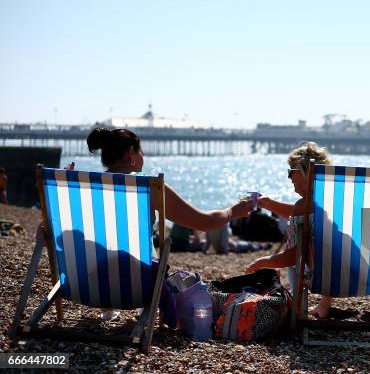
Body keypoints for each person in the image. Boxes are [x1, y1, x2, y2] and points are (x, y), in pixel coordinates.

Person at [72, 127, 253, 319]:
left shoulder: (81, 188)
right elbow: (203, 222)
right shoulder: (148, 187)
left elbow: (56, 230)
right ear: (130, 153)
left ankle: (109, 308)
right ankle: (143, 307)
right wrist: (232, 212)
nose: (143, 155)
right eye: (140, 150)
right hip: (137, 287)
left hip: (88, 283)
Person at [245, 142, 334, 318]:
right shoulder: (336, 202)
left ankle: (298, 309)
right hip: (356, 276)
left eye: (290, 171)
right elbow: (302, 213)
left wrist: (263, 262)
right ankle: (325, 305)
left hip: (322, 278)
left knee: (296, 264)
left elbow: (293, 256)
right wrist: (269, 204)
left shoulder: (304, 206)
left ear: (304, 171)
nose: (289, 177)